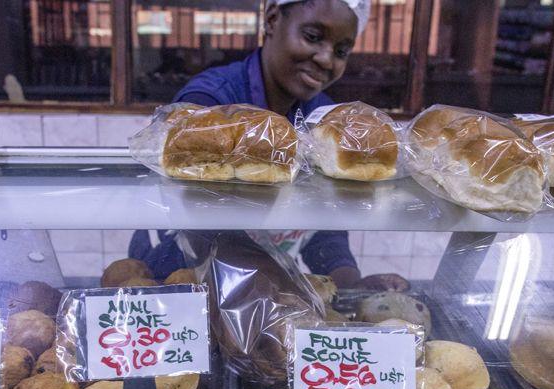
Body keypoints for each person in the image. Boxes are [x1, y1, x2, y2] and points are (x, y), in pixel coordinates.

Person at [131, 0, 408, 291]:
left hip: (260, 291)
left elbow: (324, 226)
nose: (327, 59)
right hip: (175, 279)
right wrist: (282, 282)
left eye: (341, 51)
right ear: (273, 20)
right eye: (313, 37)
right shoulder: (211, 104)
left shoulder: (323, 122)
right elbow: (196, 228)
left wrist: (351, 287)